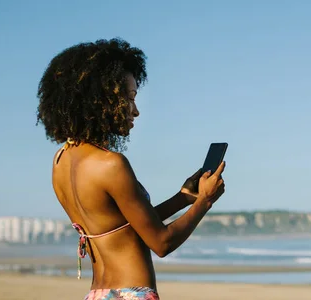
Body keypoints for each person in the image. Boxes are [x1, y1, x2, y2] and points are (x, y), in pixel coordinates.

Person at [36, 38, 226, 300]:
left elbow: (125, 226)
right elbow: (161, 243)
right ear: (99, 101)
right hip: (132, 294)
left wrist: (183, 198)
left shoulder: (60, 161)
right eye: (129, 98)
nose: (135, 111)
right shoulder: (111, 164)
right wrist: (204, 201)